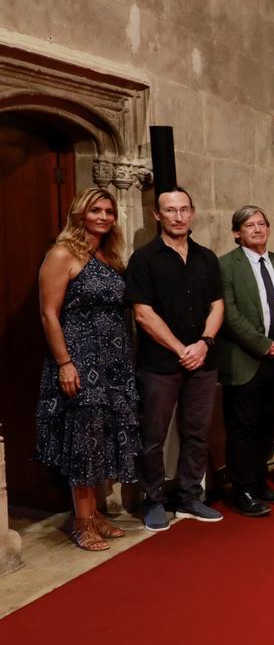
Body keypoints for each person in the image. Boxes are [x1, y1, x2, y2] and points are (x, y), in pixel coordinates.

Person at [36, 188, 140, 549]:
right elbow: (49, 313)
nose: (104, 216)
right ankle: (82, 523)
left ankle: (94, 514)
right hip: (80, 358)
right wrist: (65, 363)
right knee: (84, 439)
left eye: (109, 211)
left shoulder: (109, 255)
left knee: (103, 436)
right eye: (96, 210)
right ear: (80, 213)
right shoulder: (62, 253)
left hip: (114, 360)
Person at [125, 186, 225, 530]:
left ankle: (188, 498)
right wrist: (181, 349)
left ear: (192, 212)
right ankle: (153, 500)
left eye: (184, 209)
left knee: (197, 433)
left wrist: (204, 343)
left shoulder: (206, 258)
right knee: (152, 435)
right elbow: (142, 313)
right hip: (160, 365)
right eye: (170, 210)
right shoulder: (144, 259)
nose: (178, 216)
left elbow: (217, 305)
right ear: (158, 215)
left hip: (203, 361)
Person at [216, 206, 274, 517]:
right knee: (243, 428)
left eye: (262, 224)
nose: (258, 229)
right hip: (246, 360)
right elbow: (230, 315)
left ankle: (260, 482)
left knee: (268, 425)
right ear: (238, 232)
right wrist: (264, 345)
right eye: (250, 225)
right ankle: (243, 489)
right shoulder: (226, 266)